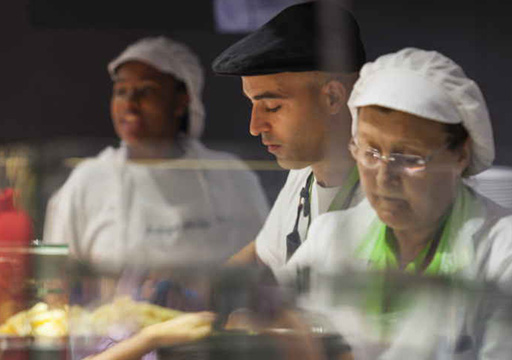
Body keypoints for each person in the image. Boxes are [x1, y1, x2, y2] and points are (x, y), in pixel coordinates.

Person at [285, 48, 512, 359]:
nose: (384, 176)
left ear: (461, 154)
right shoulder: (330, 235)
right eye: (370, 152)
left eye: (408, 157)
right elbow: (280, 323)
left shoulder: (502, 252)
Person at [43, 36, 269, 272]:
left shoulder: (230, 176)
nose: (129, 104)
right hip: (115, 310)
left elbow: (263, 264)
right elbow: (57, 277)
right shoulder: (89, 180)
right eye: (121, 91)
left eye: (146, 91)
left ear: (182, 100)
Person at [212, 1, 366, 274]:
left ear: (333, 97)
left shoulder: (386, 198)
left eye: (272, 107)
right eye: (252, 105)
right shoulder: (303, 175)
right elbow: (260, 254)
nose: (255, 126)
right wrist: (198, 288)